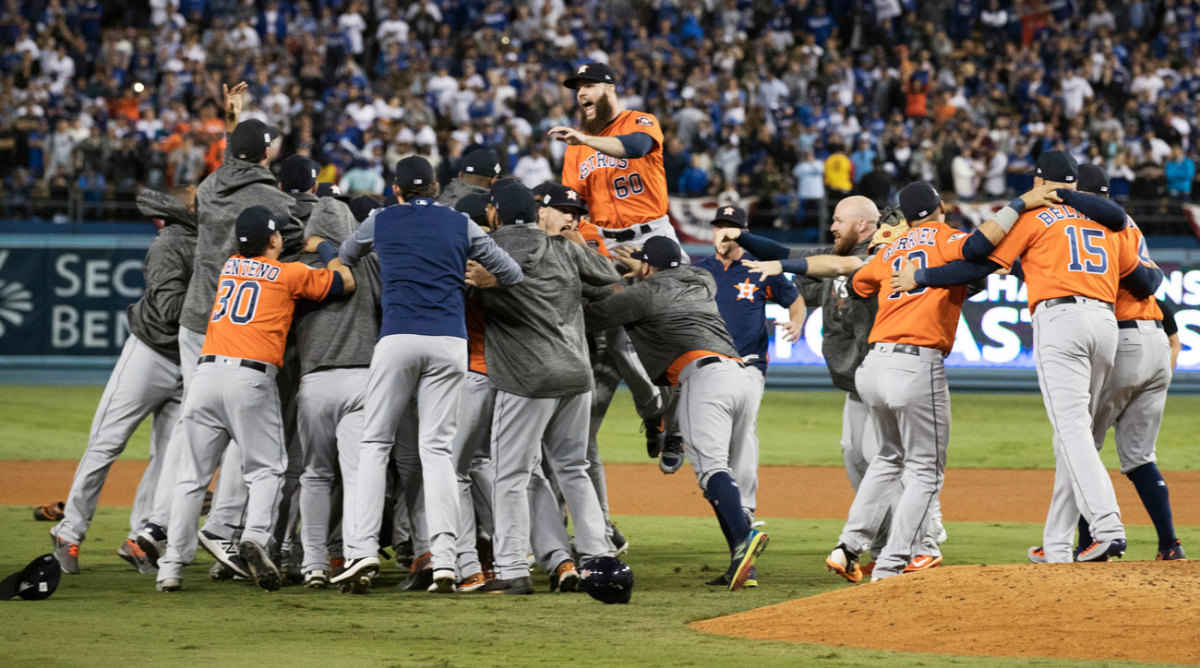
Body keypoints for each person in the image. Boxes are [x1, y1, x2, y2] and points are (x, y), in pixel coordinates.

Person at [891, 152, 1162, 565]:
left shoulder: (1035, 216)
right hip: (1106, 323)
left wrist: (922, 276)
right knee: (1071, 437)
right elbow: (1143, 280)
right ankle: (1056, 545)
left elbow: (975, 263)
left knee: (1072, 432)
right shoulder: (1108, 221)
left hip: (1062, 320)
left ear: (1039, 181)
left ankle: (1107, 527)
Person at [330, 156, 523, 594]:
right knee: (437, 451)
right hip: (451, 343)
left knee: (376, 443)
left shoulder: (382, 219)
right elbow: (512, 272)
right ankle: (445, 560)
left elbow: (346, 254)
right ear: (435, 187)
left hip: (398, 337)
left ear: (397, 189)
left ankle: (360, 551)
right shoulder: (461, 223)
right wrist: (477, 281)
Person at [155, 205, 356, 592]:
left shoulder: (230, 265)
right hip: (249, 378)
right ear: (275, 239)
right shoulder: (288, 274)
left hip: (205, 375)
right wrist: (327, 248)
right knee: (267, 471)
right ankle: (256, 537)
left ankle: (171, 568)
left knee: (191, 478)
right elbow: (343, 283)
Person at [583, 236, 767, 591]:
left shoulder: (644, 294)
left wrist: (617, 279)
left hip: (704, 376)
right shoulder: (703, 281)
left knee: (712, 470)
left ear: (646, 266)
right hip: (742, 376)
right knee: (731, 474)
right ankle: (742, 564)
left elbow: (592, 317)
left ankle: (745, 539)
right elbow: (672, 275)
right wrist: (646, 270)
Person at [472, 182, 622, 594]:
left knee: (511, 475)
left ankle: (512, 570)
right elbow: (609, 276)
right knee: (574, 468)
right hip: (577, 372)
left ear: (494, 214)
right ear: (537, 214)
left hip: (527, 378)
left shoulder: (488, 252)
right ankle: (597, 556)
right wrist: (578, 243)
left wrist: (496, 282)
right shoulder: (565, 248)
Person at [1031, 164, 1185, 562]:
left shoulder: (1085, 224)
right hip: (1152, 342)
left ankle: (1088, 541)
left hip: (1123, 340)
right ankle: (1170, 545)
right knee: (1138, 456)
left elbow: (1146, 283)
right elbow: (1154, 286)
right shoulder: (1126, 222)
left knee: (1079, 441)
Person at [50, 187, 196, 575]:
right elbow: (169, 309)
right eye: (202, 198)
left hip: (189, 362)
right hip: (150, 355)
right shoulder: (170, 243)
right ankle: (69, 531)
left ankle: (140, 540)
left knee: (169, 459)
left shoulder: (216, 242)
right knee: (106, 443)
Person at [549, 60, 672, 469]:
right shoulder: (576, 147)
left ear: (609, 88)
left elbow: (635, 148)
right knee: (617, 338)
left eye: (588, 86)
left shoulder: (640, 120)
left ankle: (681, 424)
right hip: (607, 247)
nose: (580, 93)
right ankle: (654, 410)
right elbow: (572, 202)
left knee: (677, 329)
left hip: (655, 238)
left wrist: (584, 139)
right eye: (576, 88)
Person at [691, 205, 802, 588]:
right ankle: (743, 556)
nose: (724, 232)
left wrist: (797, 322)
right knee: (722, 463)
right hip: (708, 371)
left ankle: (745, 540)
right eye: (719, 225)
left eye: (731, 226)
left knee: (731, 455)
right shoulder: (700, 269)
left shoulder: (760, 265)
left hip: (749, 367)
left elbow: (794, 297)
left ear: (744, 231)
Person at [292, 194, 383, 588]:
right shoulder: (373, 264)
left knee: (314, 476)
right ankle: (359, 553)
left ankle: (313, 563)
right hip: (364, 379)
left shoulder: (296, 267)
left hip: (315, 381)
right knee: (359, 473)